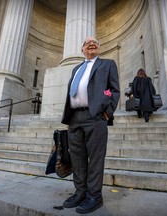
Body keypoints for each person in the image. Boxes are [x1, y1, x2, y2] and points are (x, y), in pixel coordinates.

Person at [61, 36, 120, 214]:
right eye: (87, 43)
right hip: (74, 117)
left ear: (99, 48)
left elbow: (113, 90)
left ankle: (94, 195)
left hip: (95, 116)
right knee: (77, 159)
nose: (91, 44)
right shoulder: (76, 68)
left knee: (95, 158)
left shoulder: (107, 64)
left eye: (95, 42)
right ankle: (80, 192)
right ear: (82, 49)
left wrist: (106, 110)